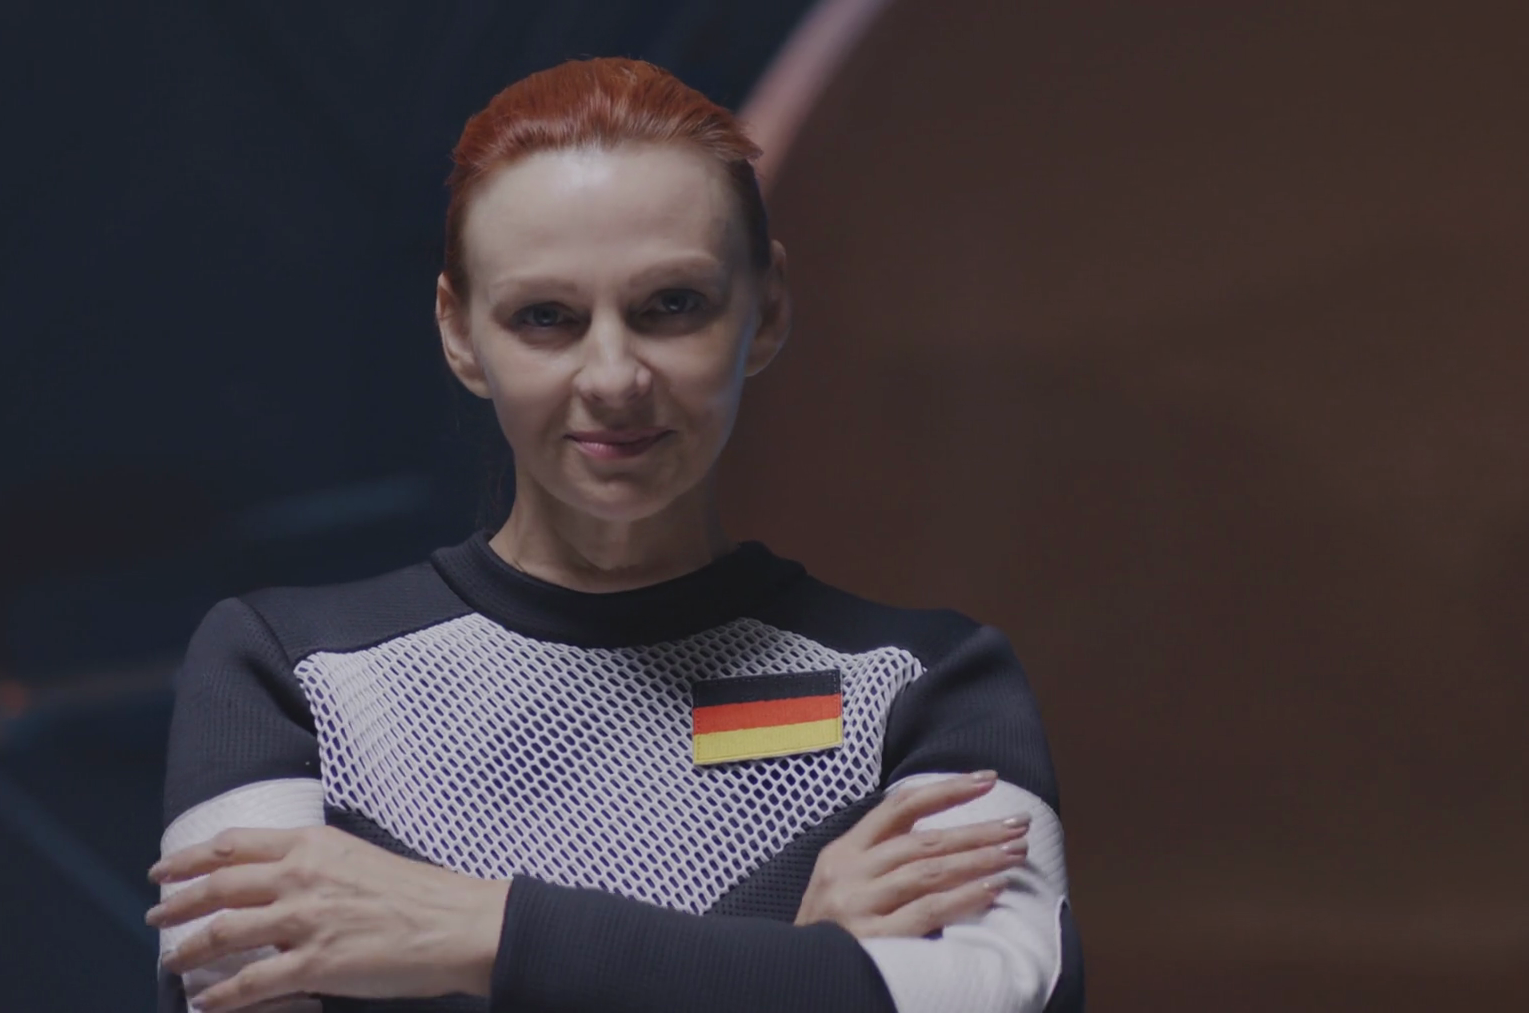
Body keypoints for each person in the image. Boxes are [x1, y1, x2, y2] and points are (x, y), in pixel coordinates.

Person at [146, 57, 1082, 1013]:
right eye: (545, 317)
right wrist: (787, 950)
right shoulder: (285, 674)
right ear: (460, 332)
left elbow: (1000, 997)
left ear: (767, 308)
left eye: (671, 305)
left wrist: (478, 930)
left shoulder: (925, 684)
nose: (613, 377)